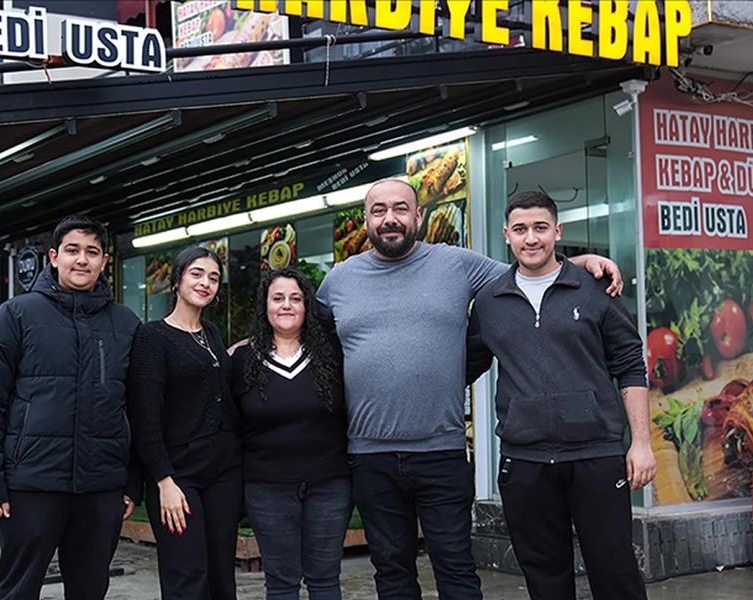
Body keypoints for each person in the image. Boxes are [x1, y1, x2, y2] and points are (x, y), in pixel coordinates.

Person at [315, 178, 623, 600]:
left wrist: (582, 261)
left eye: (401, 208)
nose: (390, 219)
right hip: (369, 456)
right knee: (390, 571)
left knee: (456, 570)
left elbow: (531, 270)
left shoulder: (457, 264)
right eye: (379, 210)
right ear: (366, 219)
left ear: (418, 215)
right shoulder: (339, 280)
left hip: (441, 453)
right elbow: (300, 334)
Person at [466, 190, 655, 600]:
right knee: (545, 579)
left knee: (616, 572)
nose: (531, 238)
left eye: (540, 227)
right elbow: (467, 364)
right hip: (525, 461)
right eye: (520, 229)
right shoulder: (489, 301)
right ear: (506, 235)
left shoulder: (594, 288)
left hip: (596, 456)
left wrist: (641, 443)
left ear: (558, 231)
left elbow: (629, 364)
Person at [0, 215, 140, 600]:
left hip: (100, 486)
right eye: (72, 250)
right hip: (31, 483)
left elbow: (137, 408)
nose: (82, 260)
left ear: (104, 261)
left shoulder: (125, 323)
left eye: (92, 252)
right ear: (53, 257)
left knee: (90, 589)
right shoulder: (16, 315)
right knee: (18, 590)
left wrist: (132, 482)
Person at [127, 246, 241, 600]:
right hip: (178, 474)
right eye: (197, 274)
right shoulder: (152, 337)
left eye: (214, 278)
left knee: (222, 575)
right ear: (177, 280)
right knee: (187, 576)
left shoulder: (212, 334)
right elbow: (145, 417)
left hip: (224, 471)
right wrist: (163, 481)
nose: (205, 283)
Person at [233, 267, 350, 600]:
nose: (287, 305)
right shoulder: (242, 360)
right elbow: (232, 426)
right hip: (267, 488)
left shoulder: (334, 354)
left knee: (325, 580)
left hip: (330, 485)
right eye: (278, 298)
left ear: (307, 306)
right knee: (282, 583)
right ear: (265, 306)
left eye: (296, 298)